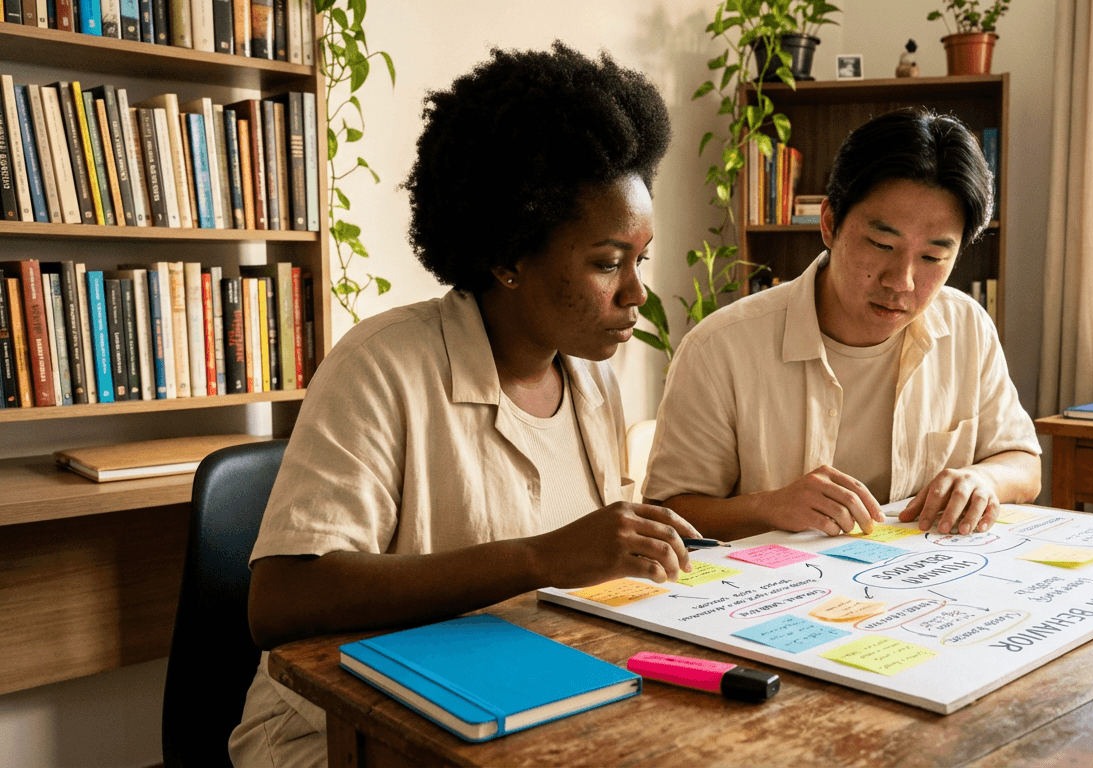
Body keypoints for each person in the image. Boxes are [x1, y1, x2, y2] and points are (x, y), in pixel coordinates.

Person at [229, 43, 699, 767]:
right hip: (348, 731)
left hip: (524, 705)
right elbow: (282, 601)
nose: (636, 293)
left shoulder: (591, 380)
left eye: (641, 258)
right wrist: (540, 558)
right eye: (608, 263)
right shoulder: (382, 366)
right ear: (508, 257)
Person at [642, 108, 1040, 543]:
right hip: (776, 592)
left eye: (932, 257)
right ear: (829, 224)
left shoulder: (967, 328)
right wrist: (770, 506)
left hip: (921, 587)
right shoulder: (720, 348)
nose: (901, 282)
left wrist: (984, 480)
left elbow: (1022, 461)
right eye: (881, 244)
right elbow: (666, 512)